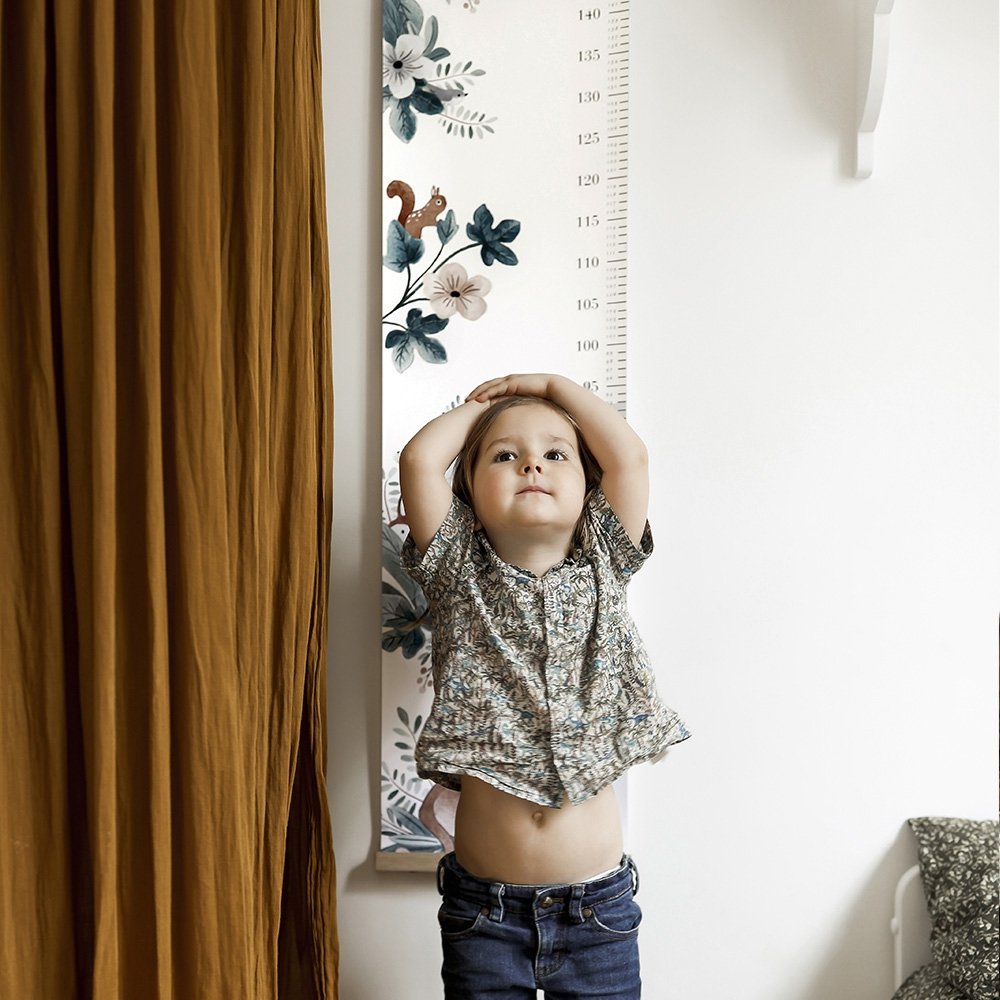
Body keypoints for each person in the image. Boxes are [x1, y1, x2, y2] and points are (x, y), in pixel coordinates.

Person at [399, 373, 690, 1000]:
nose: (532, 462)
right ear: (469, 493)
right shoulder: (457, 573)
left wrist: (552, 386)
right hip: (485, 915)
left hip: (599, 914)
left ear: (587, 488)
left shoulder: (605, 560)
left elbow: (629, 456)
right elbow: (421, 459)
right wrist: (491, 407)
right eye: (504, 455)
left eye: (556, 453)